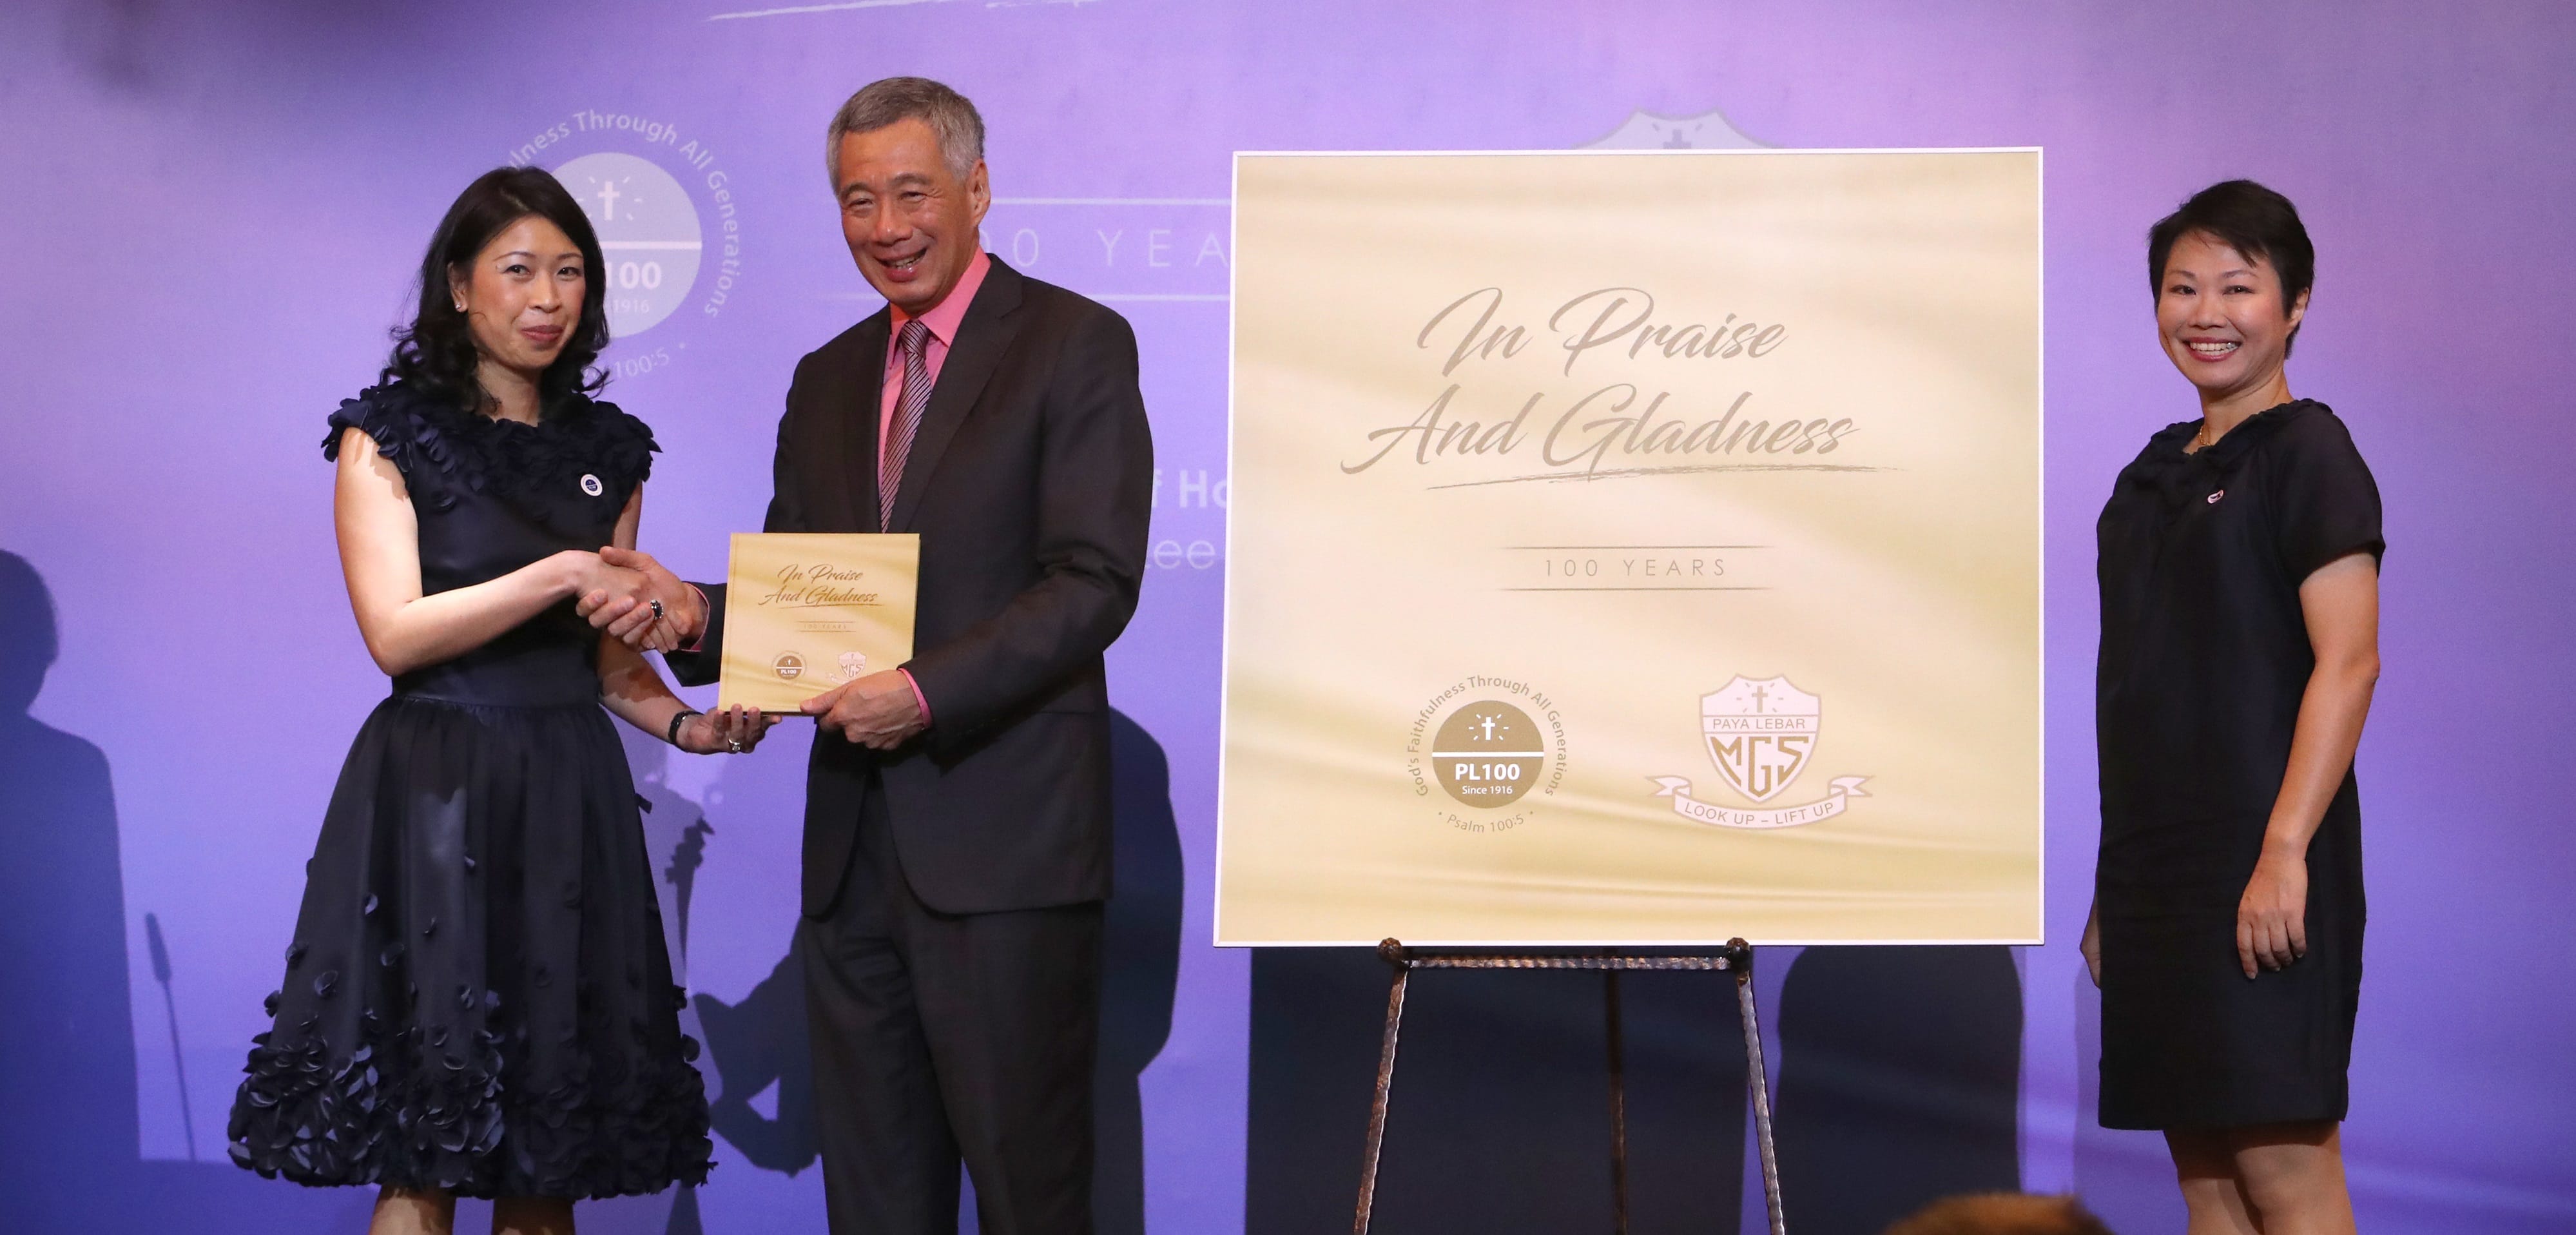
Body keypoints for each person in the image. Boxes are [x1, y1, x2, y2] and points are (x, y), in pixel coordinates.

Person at [581, 77, 1153, 1234]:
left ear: (976, 189)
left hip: (1006, 857)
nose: (885, 227)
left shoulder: (1074, 342)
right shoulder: (828, 375)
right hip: (851, 863)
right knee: (877, 1205)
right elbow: (805, 600)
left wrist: (923, 693)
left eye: (911, 194)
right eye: (857, 201)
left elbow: (1092, 581)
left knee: (1031, 1199)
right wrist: (694, 616)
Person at [226, 166, 773, 1235]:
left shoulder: (610, 451)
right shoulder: (388, 434)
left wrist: (692, 725)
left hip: (569, 795)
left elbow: (607, 664)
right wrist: (559, 572)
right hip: (434, 791)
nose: (547, 297)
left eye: (569, 272)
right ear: (459, 286)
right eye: (519, 270)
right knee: (421, 1152)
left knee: (544, 1152)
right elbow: (394, 633)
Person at [2082, 180, 2380, 1234]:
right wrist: (2111, 888)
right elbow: (2141, 691)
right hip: (2157, 872)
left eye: (2236, 287)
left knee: (2283, 1172)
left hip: (2266, 860)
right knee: (2205, 1181)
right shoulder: (2147, 477)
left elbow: (2348, 664)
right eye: (2181, 288)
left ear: (2293, 305)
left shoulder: (2307, 453)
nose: (2204, 312)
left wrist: (2283, 853)